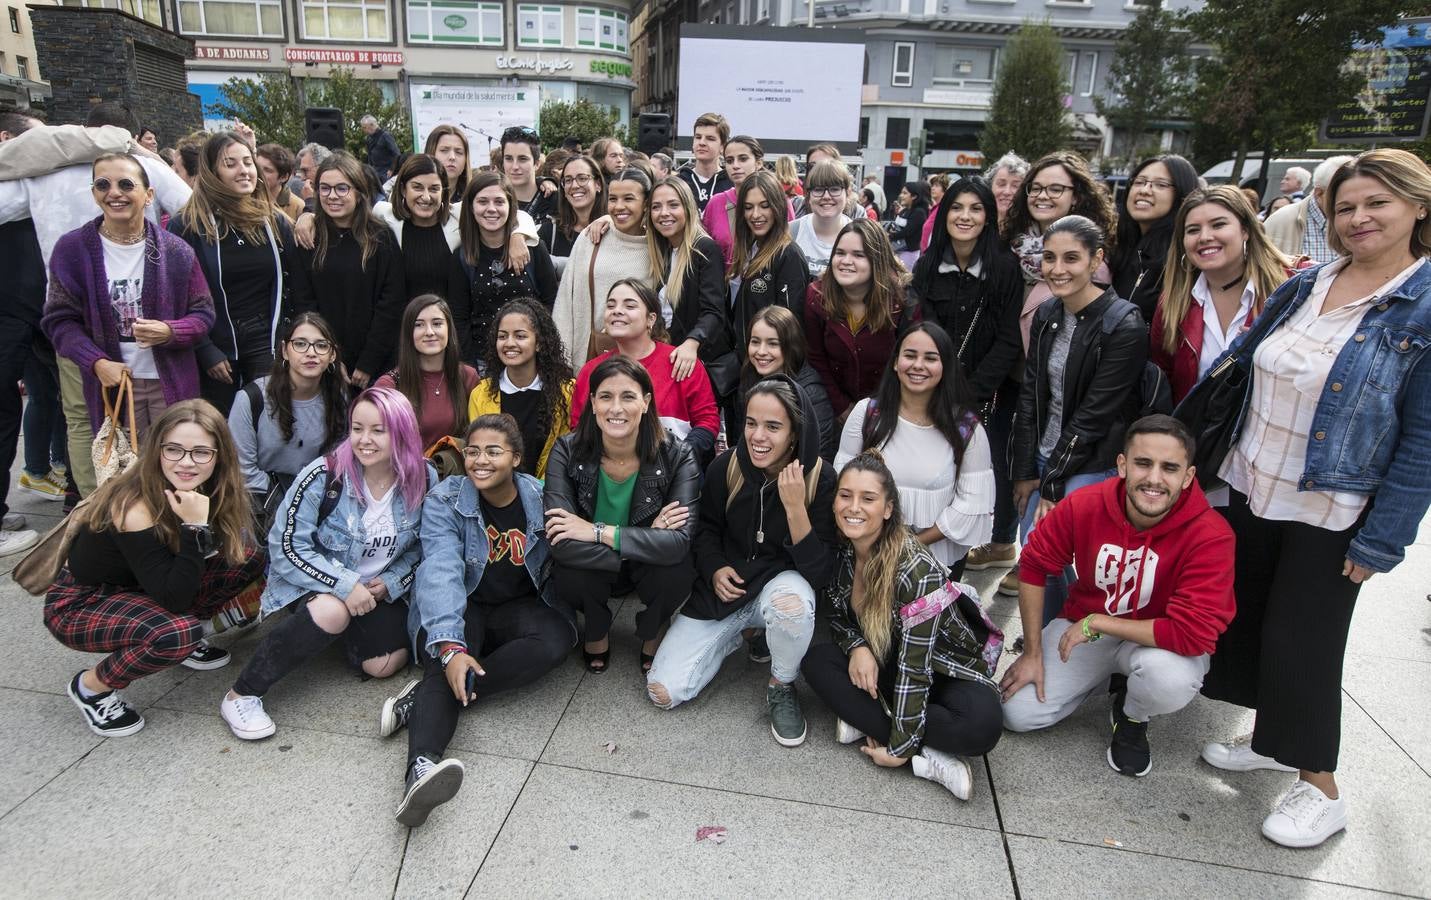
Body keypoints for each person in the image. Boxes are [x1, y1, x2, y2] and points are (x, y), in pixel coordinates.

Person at [1195, 149, 1431, 848]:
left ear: (1417, 206)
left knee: (1304, 641)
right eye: (1345, 206)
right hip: (1252, 483)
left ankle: (1318, 786)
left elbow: (1422, 439)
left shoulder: (1419, 305)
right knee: (1252, 619)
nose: (1357, 219)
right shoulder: (1307, 282)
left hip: (1331, 507)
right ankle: (1271, 738)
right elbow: (1239, 372)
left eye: (1375, 204)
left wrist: (1382, 538)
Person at [999, 415, 1235, 778]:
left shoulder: (1211, 534)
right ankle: (1107, 678)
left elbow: (1193, 634)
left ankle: (1132, 713)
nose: (1154, 479)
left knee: (1168, 680)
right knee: (1017, 714)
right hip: (1087, 628)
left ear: (1188, 476)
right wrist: (1032, 653)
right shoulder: (1085, 504)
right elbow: (1033, 565)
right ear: (1122, 465)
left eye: (1169, 468)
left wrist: (1099, 622)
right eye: (1143, 463)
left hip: (1159, 644)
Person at [381, 412, 577, 825]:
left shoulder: (540, 497)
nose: (480, 461)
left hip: (516, 608)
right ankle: (421, 768)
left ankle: (425, 699)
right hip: (464, 604)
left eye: (493, 451)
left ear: (517, 458)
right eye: (472, 451)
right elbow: (441, 571)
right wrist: (451, 646)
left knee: (558, 639)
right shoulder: (447, 500)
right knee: (448, 658)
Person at [0, 103, 193, 498]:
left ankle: (97, 511)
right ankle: (154, 508)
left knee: (84, 419)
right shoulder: (144, 169)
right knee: (161, 415)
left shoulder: (42, 171)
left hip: (88, 319)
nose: (113, 195)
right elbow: (195, 211)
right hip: (113, 318)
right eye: (101, 188)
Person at [220, 387, 435, 740]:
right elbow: (287, 546)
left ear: (401, 432)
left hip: (376, 591)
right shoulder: (324, 476)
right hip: (315, 584)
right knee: (334, 611)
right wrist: (345, 586)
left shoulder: (422, 477)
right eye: (357, 428)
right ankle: (242, 694)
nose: (364, 440)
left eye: (378, 430)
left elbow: (422, 548)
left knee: (384, 665)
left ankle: (330, 631)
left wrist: (392, 582)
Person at [45, 400, 265, 736]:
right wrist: (193, 528)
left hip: (145, 585)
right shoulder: (132, 505)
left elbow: (189, 569)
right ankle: (91, 687)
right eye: (174, 450)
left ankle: (185, 638)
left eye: (201, 452)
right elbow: (173, 596)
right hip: (82, 603)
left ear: (219, 456)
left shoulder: (210, 486)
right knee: (177, 632)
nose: (186, 463)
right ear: (157, 450)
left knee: (247, 556)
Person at [801, 448, 1003, 800]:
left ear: (888, 509)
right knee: (816, 662)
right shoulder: (845, 550)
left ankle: (885, 731)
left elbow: (916, 669)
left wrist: (901, 749)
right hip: (888, 661)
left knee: (982, 727)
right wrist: (857, 646)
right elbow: (836, 613)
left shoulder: (914, 568)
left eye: (868, 498)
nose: (853, 507)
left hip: (944, 670)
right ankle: (931, 754)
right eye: (845, 496)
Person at [647, 375, 835, 745]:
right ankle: (744, 634)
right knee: (663, 692)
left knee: (790, 607)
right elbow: (704, 531)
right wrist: (714, 567)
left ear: (795, 434)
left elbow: (820, 572)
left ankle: (781, 683)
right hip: (727, 593)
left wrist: (796, 507)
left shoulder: (820, 479)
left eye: (773, 427)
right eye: (750, 423)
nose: (757, 436)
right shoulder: (726, 467)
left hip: (780, 588)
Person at [1012, 215, 1147, 619]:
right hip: (1044, 455)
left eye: (1071, 258)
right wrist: (1023, 469)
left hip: (1093, 460)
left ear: (1096, 259)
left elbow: (1095, 415)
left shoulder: (1124, 323)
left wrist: (1052, 483)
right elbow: (1031, 394)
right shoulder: (1048, 312)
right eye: (1050, 258)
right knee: (1038, 556)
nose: (1057, 269)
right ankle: (1056, 631)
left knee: (1077, 561)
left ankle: (1076, 638)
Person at [544, 356, 699, 674]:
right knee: (572, 570)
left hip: (637, 564)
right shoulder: (566, 450)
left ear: (645, 402)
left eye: (628, 396)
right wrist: (645, 541)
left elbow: (680, 543)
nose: (616, 408)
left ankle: (654, 629)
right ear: (592, 403)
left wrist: (597, 531)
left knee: (675, 570)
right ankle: (596, 629)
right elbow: (560, 541)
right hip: (606, 563)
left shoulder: (678, 455)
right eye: (605, 397)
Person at [44, 153, 214, 440]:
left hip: (170, 382)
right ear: (94, 193)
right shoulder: (72, 249)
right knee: (122, 474)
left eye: (125, 184)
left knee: (171, 465)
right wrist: (97, 362)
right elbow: (59, 322)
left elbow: (203, 313)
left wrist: (170, 331)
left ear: (148, 195)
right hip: (115, 385)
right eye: (102, 185)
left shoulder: (177, 251)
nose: (114, 193)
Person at [909, 177, 1024, 577]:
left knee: (973, 484)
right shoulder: (926, 265)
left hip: (985, 401)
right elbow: (924, 333)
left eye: (976, 209)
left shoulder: (1005, 269)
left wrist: (969, 395)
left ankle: (958, 572)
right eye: (957, 207)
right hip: (934, 393)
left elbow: (1010, 340)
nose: (965, 216)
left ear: (989, 217)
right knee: (936, 477)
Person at [836, 321, 993, 576]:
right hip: (866, 553)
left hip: (934, 562)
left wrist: (906, 548)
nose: (918, 365)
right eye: (910, 355)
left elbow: (971, 505)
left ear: (945, 367)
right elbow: (842, 483)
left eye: (930, 358)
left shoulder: (967, 430)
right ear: (896, 362)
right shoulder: (866, 414)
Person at [168, 131, 294, 414]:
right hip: (217, 347)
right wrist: (205, 349)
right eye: (231, 163)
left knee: (266, 422)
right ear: (212, 171)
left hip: (267, 343)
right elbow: (177, 297)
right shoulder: (187, 226)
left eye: (248, 162)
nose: (244, 170)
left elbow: (293, 285)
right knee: (216, 427)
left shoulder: (274, 222)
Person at [1150, 186, 1300, 404]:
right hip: (1197, 433)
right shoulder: (1172, 303)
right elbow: (1163, 377)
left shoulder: (1292, 288)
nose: (1204, 237)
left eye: (1218, 224)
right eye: (1192, 230)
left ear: (1246, 230)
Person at [289, 152, 406, 389]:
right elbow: (305, 304)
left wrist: (367, 363)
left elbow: (391, 303)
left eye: (342, 188)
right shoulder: (309, 239)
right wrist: (330, 357)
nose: (333, 196)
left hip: (376, 363)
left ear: (359, 192)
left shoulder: (380, 237)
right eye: (325, 188)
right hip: (323, 362)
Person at [571, 279, 719, 463]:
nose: (617, 310)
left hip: (676, 475)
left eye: (629, 306)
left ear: (651, 318)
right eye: (611, 305)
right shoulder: (591, 371)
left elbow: (707, 421)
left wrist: (679, 458)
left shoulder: (682, 361)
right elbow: (578, 429)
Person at [805, 218, 918, 424]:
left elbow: (910, 363)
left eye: (858, 255)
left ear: (877, 259)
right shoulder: (816, 297)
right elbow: (815, 358)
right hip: (835, 410)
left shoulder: (902, 301)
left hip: (890, 410)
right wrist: (842, 408)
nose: (846, 261)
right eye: (840, 253)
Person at [229, 313, 348, 507]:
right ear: (285, 350)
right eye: (300, 344)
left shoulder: (337, 397)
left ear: (332, 355)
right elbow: (242, 470)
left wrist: (309, 503)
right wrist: (290, 503)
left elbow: (337, 460)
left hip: (315, 500)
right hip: (261, 504)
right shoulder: (251, 398)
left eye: (321, 345)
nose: (311, 353)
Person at [448, 171, 558, 365]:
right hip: (483, 362)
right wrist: (469, 367)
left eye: (499, 202)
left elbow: (551, 301)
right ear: (471, 207)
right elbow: (460, 317)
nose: (491, 209)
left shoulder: (533, 249)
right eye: (482, 202)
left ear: (510, 206)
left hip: (533, 360)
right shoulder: (463, 257)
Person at [554, 166, 654, 369]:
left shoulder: (658, 248)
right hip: (586, 356)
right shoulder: (592, 236)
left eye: (628, 199)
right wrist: (560, 359)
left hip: (640, 365)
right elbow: (565, 301)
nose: (619, 206)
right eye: (613, 198)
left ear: (646, 203)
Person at [645, 176, 733, 400]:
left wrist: (692, 343)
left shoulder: (705, 249)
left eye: (673, 205)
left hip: (695, 364)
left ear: (688, 208)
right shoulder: (661, 250)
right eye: (656, 207)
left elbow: (714, 312)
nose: (664, 213)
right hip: (666, 360)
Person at [468, 298, 574, 478]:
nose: (509, 343)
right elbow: (480, 454)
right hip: (496, 491)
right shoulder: (481, 394)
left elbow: (566, 454)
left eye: (520, 336)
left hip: (549, 492)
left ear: (539, 343)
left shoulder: (566, 391)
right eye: (502, 336)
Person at [375, 295, 479, 451]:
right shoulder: (389, 385)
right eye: (419, 325)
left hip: (458, 472)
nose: (429, 332)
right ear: (408, 333)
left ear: (449, 329)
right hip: (411, 473)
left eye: (437, 324)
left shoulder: (468, 376)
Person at [729, 170, 812, 361]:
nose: (755, 214)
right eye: (748, 207)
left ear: (778, 207)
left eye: (764, 206)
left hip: (768, 370)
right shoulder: (748, 250)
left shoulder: (788, 255)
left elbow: (790, 328)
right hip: (746, 366)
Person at [736, 306, 835, 460]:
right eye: (755, 342)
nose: (761, 351)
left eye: (773, 343)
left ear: (791, 346)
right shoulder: (749, 379)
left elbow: (819, 454)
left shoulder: (811, 394)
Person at [1111, 155, 1199, 321]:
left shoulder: (1185, 258)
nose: (1144, 190)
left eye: (1160, 184)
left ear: (1182, 193)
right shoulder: (1120, 247)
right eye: (1139, 182)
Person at [701, 135, 795, 267]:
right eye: (729, 160)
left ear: (758, 163)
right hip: (722, 285)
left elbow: (789, 246)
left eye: (743, 159)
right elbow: (704, 252)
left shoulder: (780, 201)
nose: (735, 165)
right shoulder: (716, 203)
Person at [1264, 155, 1354, 264]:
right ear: (1319, 193)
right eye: (1342, 195)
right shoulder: (1281, 221)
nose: (1352, 204)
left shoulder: (1362, 221)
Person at [787, 161, 853, 278]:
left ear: (847, 193)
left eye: (835, 189)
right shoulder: (790, 232)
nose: (826, 196)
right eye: (818, 189)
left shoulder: (859, 236)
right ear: (808, 195)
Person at [539, 154, 605, 261]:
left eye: (582, 178)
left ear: (598, 184)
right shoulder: (550, 232)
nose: (574, 186)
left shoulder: (613, 229)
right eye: (568, 180)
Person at [676, 112, 732, 215]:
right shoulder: (679, 182)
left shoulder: (731, 184)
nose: (701, 143)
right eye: (698, 137)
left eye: (710, 138)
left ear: (723, 146)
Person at [501, 126, 556, 225]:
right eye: (509, 158)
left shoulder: (555, 202)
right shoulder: (493, 201)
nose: (515, 166)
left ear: (537, 164)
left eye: (522, 159)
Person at [255, 143, 306, 222]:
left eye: (267, 170)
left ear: (284, 177)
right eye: (257, 167)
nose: (259, 173)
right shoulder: (247, 199)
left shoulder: (297, 206)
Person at [887, 181, 929, 268]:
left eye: (905, 193)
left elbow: (908, 231)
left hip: (909, 252)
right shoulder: (904, 211)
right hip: (897, 250)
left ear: (914, 196)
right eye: (901, 193)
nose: (901, 196)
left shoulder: (919, 212)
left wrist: (890, 236)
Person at [424, 125, 472, 201]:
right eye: (444, 150)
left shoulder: (472, 200)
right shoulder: (417, 199)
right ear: (431, 153)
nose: (452, 157)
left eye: (459, 152)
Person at [362, 115, 401, 182]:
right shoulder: (369, 138)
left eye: (364, 127)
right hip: (375, 172)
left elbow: (397, 154)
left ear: (372, 125)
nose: (363, 130)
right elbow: (370, 155)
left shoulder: (386, 136)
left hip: (386, 172)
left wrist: (392, 169)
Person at [919, 174, 948, 252]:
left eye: (937, 186)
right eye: (932, 186)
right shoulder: (935, 208)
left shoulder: (944, 208)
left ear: (944, 189)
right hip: (926, 253)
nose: (933, 188)